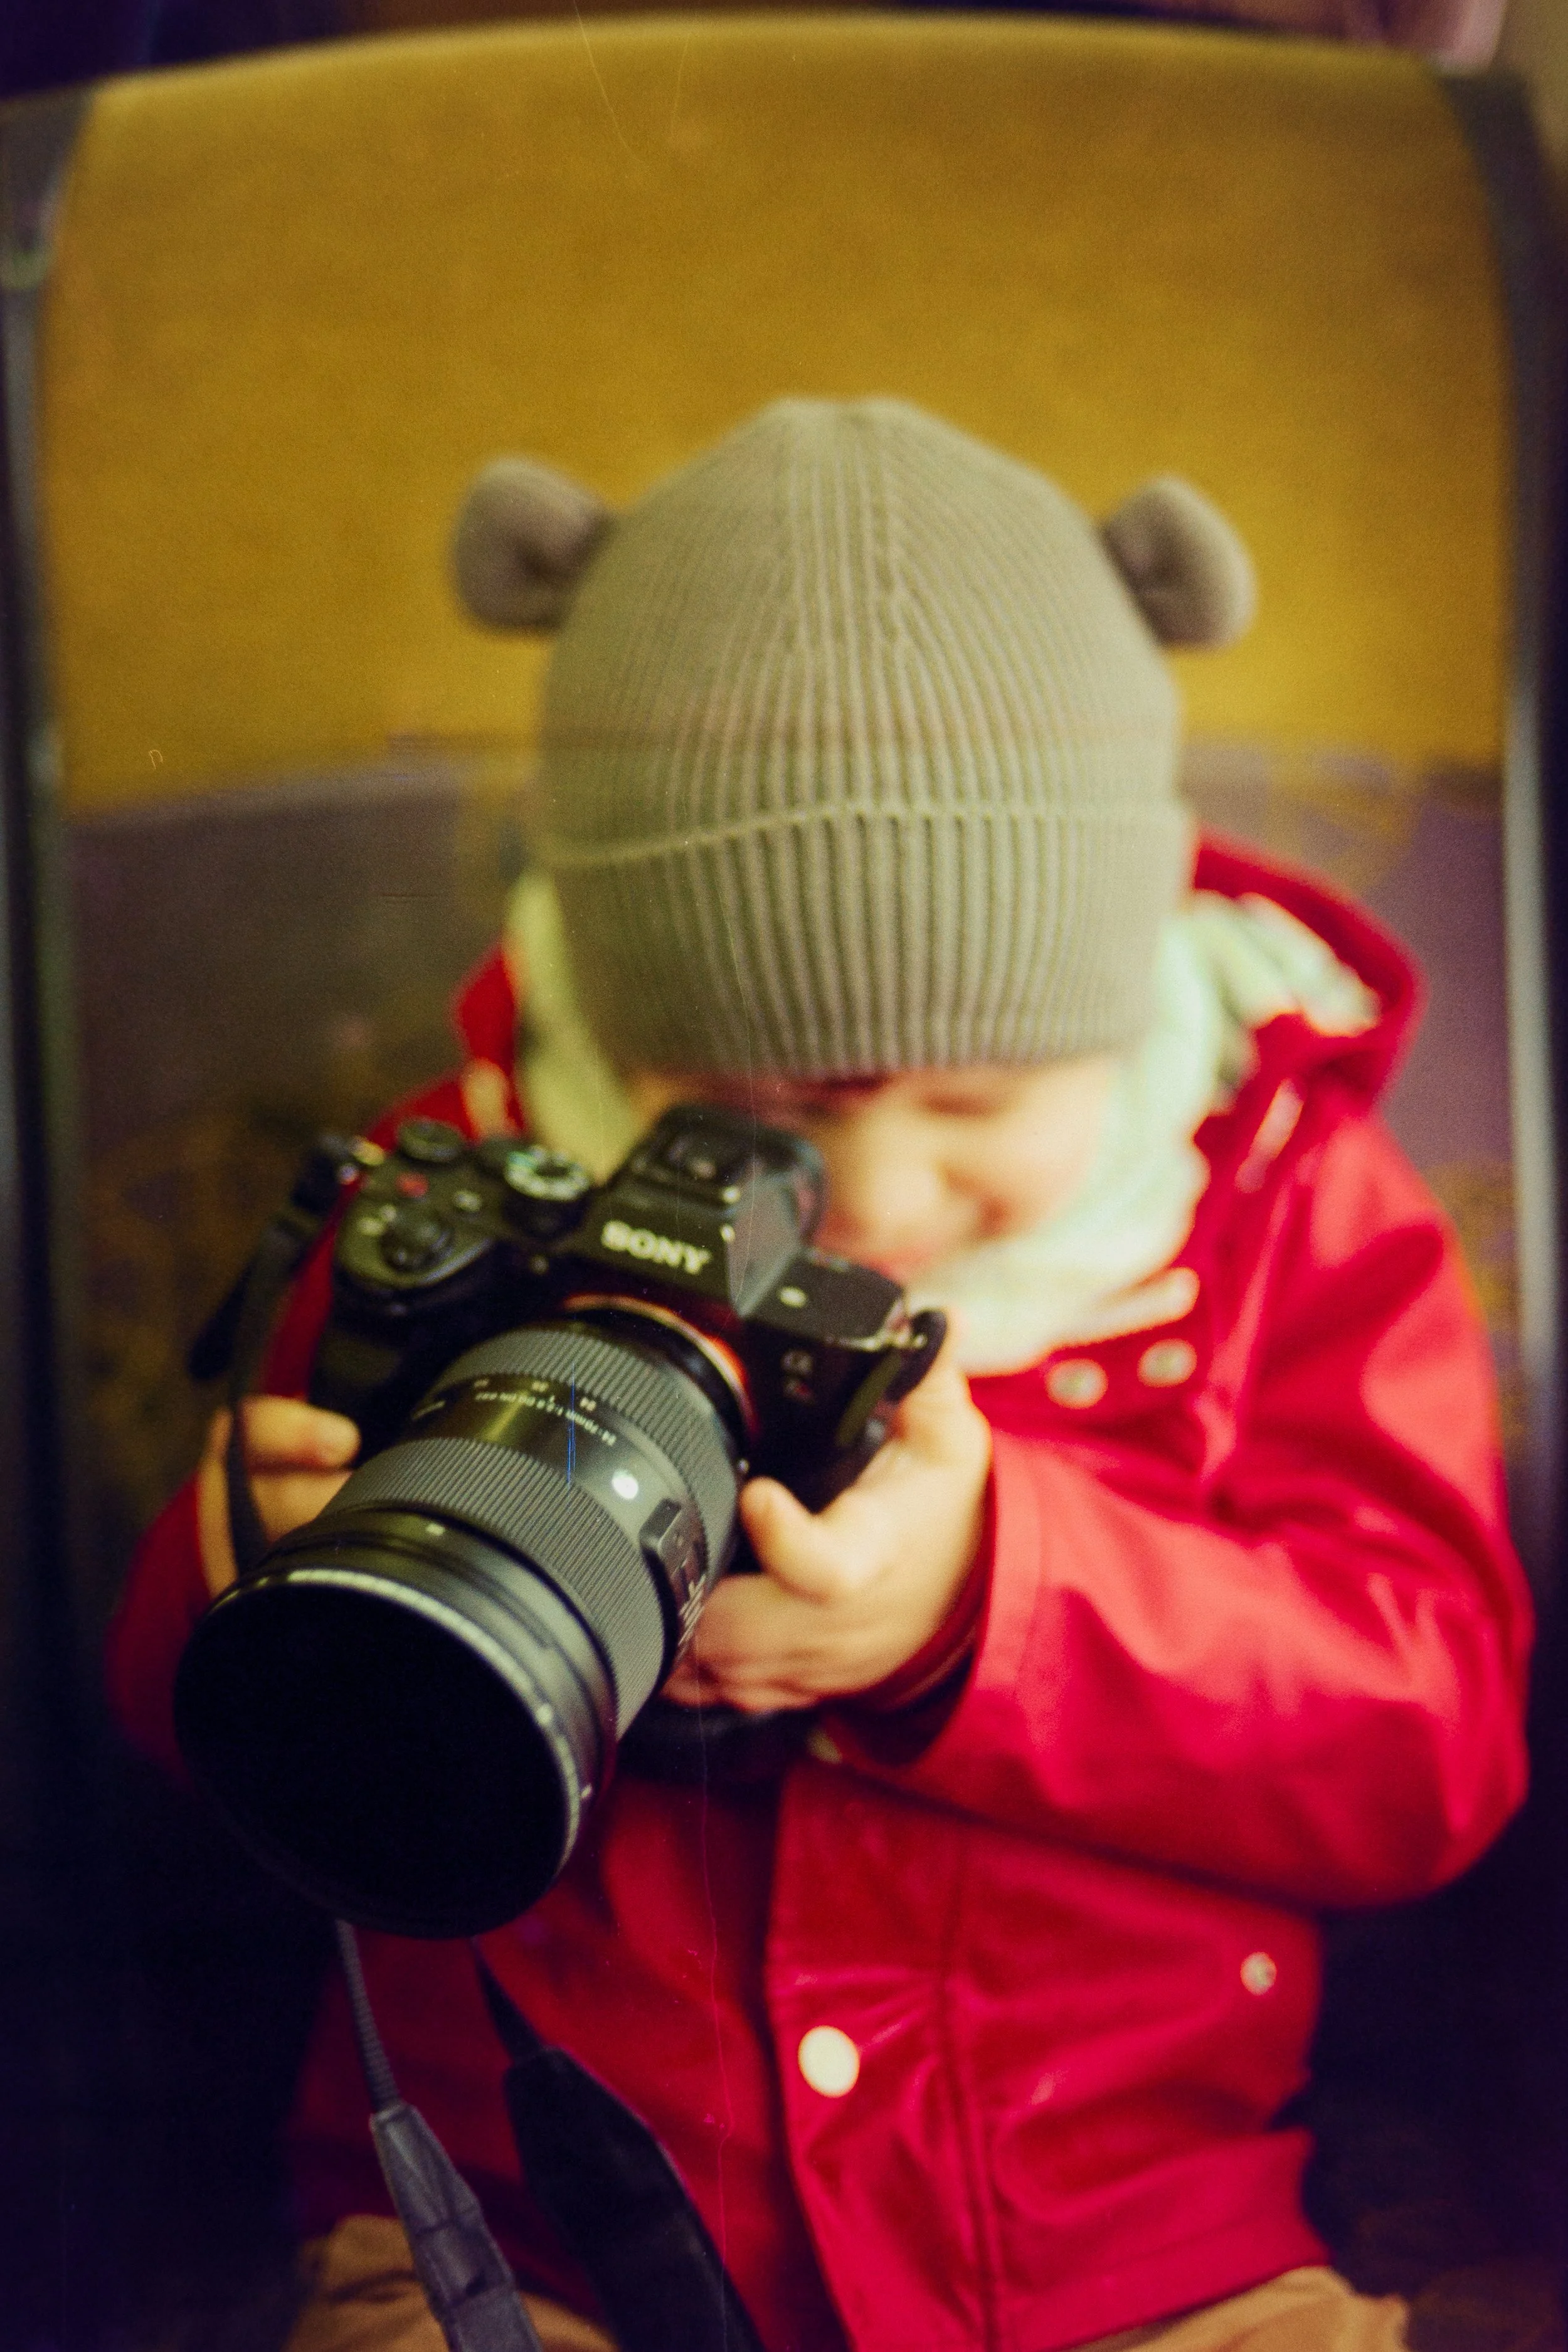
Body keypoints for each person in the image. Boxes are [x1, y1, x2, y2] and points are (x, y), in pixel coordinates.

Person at [106, 399, 1533, 2352]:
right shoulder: (467, 1183)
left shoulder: (1284, 1211)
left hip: (1131, 2248)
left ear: (1115, 1012)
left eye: (973, 1099)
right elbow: (206, 1748)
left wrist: (988, 1602)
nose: (870, 1193)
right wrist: (249, 1561)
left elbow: (1427, 1737)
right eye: (755, 1110)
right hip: (517, 2233)